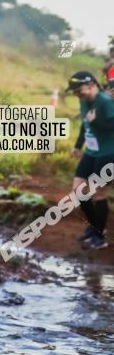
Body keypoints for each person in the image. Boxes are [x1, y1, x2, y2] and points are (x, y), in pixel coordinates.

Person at [67, 71, 114, 250]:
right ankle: (94, 227)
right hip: (91, 151)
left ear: (91, 85)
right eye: (74, 91)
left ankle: (100, 238)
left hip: (108, 153)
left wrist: (96, 122)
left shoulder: (105, 102)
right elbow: (85, 122)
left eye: (79, 90)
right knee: (78, 189)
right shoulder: (84, 100)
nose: (76, 94)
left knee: (99, 192)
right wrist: (78, 145)